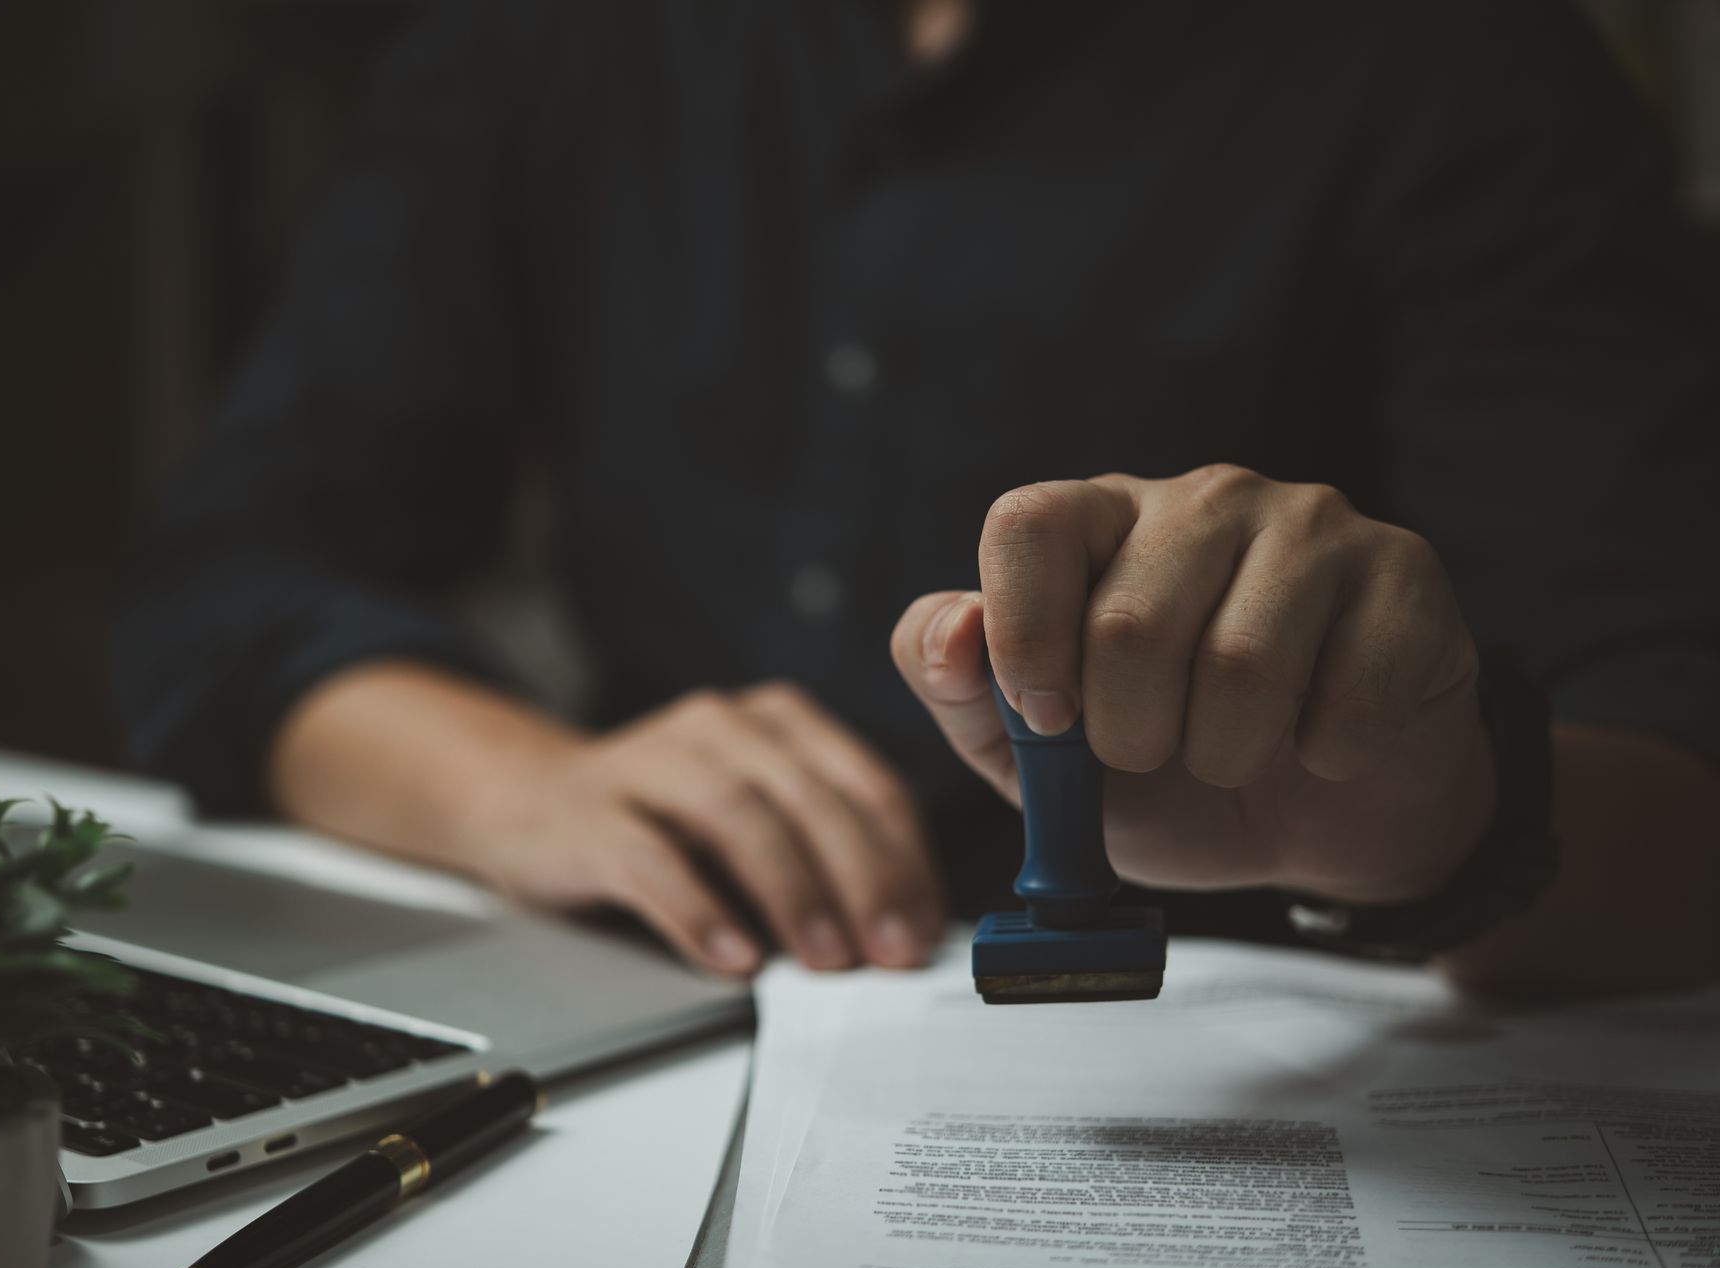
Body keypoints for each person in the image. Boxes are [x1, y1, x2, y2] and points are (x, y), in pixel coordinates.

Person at [112, 0, 1719, 997]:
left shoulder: (1464, 56)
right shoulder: (545, 33)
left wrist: (1431, 823)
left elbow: (1685, 780)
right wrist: (517, 784)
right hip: (668, 998)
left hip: (1270, 1047)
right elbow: (228, 574)